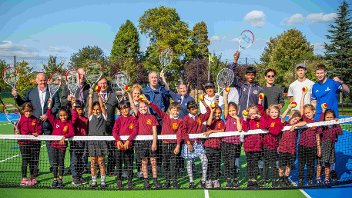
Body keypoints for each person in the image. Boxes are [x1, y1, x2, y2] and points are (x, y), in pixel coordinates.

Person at [12, 72, 61, 172]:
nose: (43, 82)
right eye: (40, 80)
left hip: (48, 124)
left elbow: (57, 106)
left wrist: (48, 114)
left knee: (51, 147)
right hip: (34, 126)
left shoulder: (53, 92)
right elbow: (23, 104)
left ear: (47, 80)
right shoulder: (30, 92)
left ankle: (53, 167)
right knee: (34, 149)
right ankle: (34, 169)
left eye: (44, 80)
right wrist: (16, 96)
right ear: (36, 81)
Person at [144, 98, 183, 189]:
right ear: (170, 110)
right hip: (164, 144)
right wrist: (149, 103)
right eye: (173, 109)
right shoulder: (165, 116)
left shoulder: (180, 121)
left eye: (177, 110)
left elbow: (179, 134)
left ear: (179, 111)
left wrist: (177, 145)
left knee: (174, 164)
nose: (175, 111)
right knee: (165, 163)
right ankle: (167, 181)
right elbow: (157, 109)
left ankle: (174, 181)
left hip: (174, 145)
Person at [128, 91, 162, 189]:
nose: (143, 108)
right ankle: (146, 180)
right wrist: (129, 94)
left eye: (145, 106)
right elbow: (132, 105)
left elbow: (154, 131)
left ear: (147, 107)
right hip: (141, 143)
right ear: (138, 108)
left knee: (153, 162)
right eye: (141, 107)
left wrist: (154, 143)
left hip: (151, 142)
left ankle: (155, 180)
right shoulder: (137, 115)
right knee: (144, 162)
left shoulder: (152, 117)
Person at [91, 77, 119, 176]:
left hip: (110, 127)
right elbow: (89, 110)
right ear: (98, 85)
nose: (103, 85)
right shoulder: (93, 96)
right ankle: (98, 170)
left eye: (105, 83)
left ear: (107, 84)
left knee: (111, 150)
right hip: (97, 129)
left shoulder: (113, 96)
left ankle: (110, 169)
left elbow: (122, 108)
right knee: (98, 151)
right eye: (101, 83)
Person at [181, 100, 210, 189]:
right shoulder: (185, 118)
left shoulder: (200, 117)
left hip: (198, 143)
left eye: (196, 108)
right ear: (188, 110)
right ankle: (191, 181)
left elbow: (208, 112)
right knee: (189, 163)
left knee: (205, 160)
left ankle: (203, 180)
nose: (195, 110)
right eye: (193, 109)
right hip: (189, 143)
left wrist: (203, 102)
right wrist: (188, 143)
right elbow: (183, 131)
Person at [46, 98, 75, 188]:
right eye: (61, 115)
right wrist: (49, 105)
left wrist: (65, 136)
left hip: (62, 147)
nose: (63, 117)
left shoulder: (69, 124)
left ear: (67, 115)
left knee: (61, 163)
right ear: (59, 115)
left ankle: (60, 180)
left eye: (64, 115)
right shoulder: (55, 122)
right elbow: (49, 114)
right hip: (54, 146)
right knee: (55, 164)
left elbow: (72, 133)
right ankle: (55, 180)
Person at [257, 96, 283, 187]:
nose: (274, 114)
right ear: (269, 112)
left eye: (276, 112)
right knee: (265, 164)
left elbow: (275, 132)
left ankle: (274, 180)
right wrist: (260, 101)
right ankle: (264, 179)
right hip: (265, 146)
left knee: (273, 164)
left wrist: (268, 127)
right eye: (272, 112)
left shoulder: (279, 121)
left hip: (273, 147)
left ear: (279, 113)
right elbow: (260, 111)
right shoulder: (267, 118)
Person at [297, 90, 322, 187]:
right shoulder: (304, 119)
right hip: (302, 146)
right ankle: (300, 179)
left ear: (314, 111)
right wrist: (303, 95)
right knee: (301, 164)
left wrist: (318, 148)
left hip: (312, 147)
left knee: (311, 165)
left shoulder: (317, 123)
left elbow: (317, 136)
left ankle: (310, 179)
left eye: (309, 112)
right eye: (306, 113)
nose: (307, 114)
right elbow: (301, 108)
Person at [112, 100, 138, 190]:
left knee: (129, 164)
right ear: (120, 110)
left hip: (129, 146)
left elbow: (135, 131)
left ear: (129, 108)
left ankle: (130, 181)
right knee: (119, 164)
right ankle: (119, 180)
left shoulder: (133, 119)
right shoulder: (118, 119)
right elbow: (114, 131)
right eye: (122, 109)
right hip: (119, 147)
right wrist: (118, 140)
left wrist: (128, 141)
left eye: (126, 108)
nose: (125, 110)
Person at [277, 105, 306, 187]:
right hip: (283, 149)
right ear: (290, 116)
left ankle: (286, 178)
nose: (295, 120)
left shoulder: (297, 126)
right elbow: (282, 117)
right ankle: (281, 178)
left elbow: (305, 122)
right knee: (281, 166)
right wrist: (288, 108)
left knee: (289, 165)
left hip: (292, 150)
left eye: (297, 119)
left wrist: (295, 125)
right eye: (294, 118)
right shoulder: (285, 124)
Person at [87, 88, 108, 189]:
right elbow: (90, 106)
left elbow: (103, 106)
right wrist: (91, 95)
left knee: (101, 161)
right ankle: (94, 181)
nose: (95, 111)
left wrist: (99, 96)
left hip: (101, 141)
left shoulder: (104, 116)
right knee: (93, 162)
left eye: (97, 109)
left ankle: (103, 181)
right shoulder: (90, 116)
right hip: (92, 142)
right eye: (94, 110)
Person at [242, 104, 268, 188]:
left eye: (254, 113)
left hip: (257, 146)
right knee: (250, 164)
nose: (252, 115)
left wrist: (260, 117)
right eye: (250, 113)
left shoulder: (259, 120)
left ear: (257, 113)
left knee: (255, 163)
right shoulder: (247, 120)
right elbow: (244, 129)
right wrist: (245, 118)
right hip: (248, 147)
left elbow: (265, 126)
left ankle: (254, 180)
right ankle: (250, 180)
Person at [16, 102, 42, 186]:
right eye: (26, 111)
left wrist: (37, 133)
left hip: (33, 143)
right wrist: (16, 132)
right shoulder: (20, 120)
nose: (28, 113)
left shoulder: (35, 119)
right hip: (23, 143)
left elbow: (39, 129)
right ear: (23, 111)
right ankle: (24, 178)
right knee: (25, 160)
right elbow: (16, 130)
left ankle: (32, 177)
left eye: (30, 111)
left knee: (33, 161)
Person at [222, 89, 242, 188]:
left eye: (233, 110)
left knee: (232, 162)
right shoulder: (227, 117)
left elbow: (239, 129)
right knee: (226, 162)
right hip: (225, 143)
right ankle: (228, 180)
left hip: (234, 144)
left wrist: (237, 119)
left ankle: (235, 179)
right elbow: (225, 105)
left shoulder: (239, 119)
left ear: (237, 110)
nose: (231, 112)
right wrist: (225, 95)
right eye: (230, 111)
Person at [316, 109, 342, 185]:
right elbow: (319, 128)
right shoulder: (322, 127)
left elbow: (340, 132)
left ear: (334, 118)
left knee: (328, 164)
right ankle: (318, 177)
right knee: (320, 164)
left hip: (331, 148)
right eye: (327, 117)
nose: (329, 119)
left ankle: (327, 179)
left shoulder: (334, 126)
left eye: (331, 117)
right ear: (324, 118)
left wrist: (337, 123)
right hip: (322, 147)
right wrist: (323, 112)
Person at [203, 106, 224, 189]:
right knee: (209, 164)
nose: (217, 114)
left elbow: (222, 130)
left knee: (216, 164)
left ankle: (215, 180)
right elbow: (208, 124)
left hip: (217, 146)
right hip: (208, 146)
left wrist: (212, 131)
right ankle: (209, 179)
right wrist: (211, 112)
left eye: (219, 113)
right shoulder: (210, 120)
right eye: (216, 113)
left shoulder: (221, 121)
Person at [70, 98, 88, 186]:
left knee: (82, 159)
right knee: (74, 159)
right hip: (75, 142)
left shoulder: (85, 119)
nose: (80, 111)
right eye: (78, 109)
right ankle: (75, 177)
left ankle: (80, 175)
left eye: (81, 109)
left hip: (83, 141)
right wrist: (73, 108)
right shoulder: (74, 117)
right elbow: (73, 119)